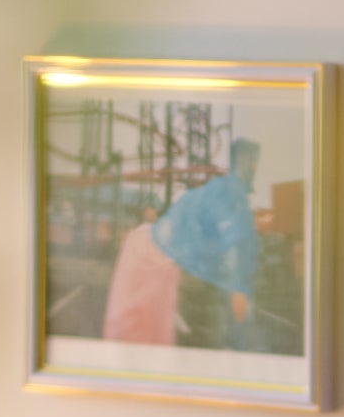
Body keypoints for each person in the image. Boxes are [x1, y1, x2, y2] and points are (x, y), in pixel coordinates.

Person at [101, 139, 262, 348]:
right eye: (253, 161)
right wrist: (239, 289)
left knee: (139, 326)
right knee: (146, 329)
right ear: (249, 163)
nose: (255, 167)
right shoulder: (231, 194)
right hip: (158, 254)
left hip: (154, 249)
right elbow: (234, 239)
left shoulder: (222, 190)